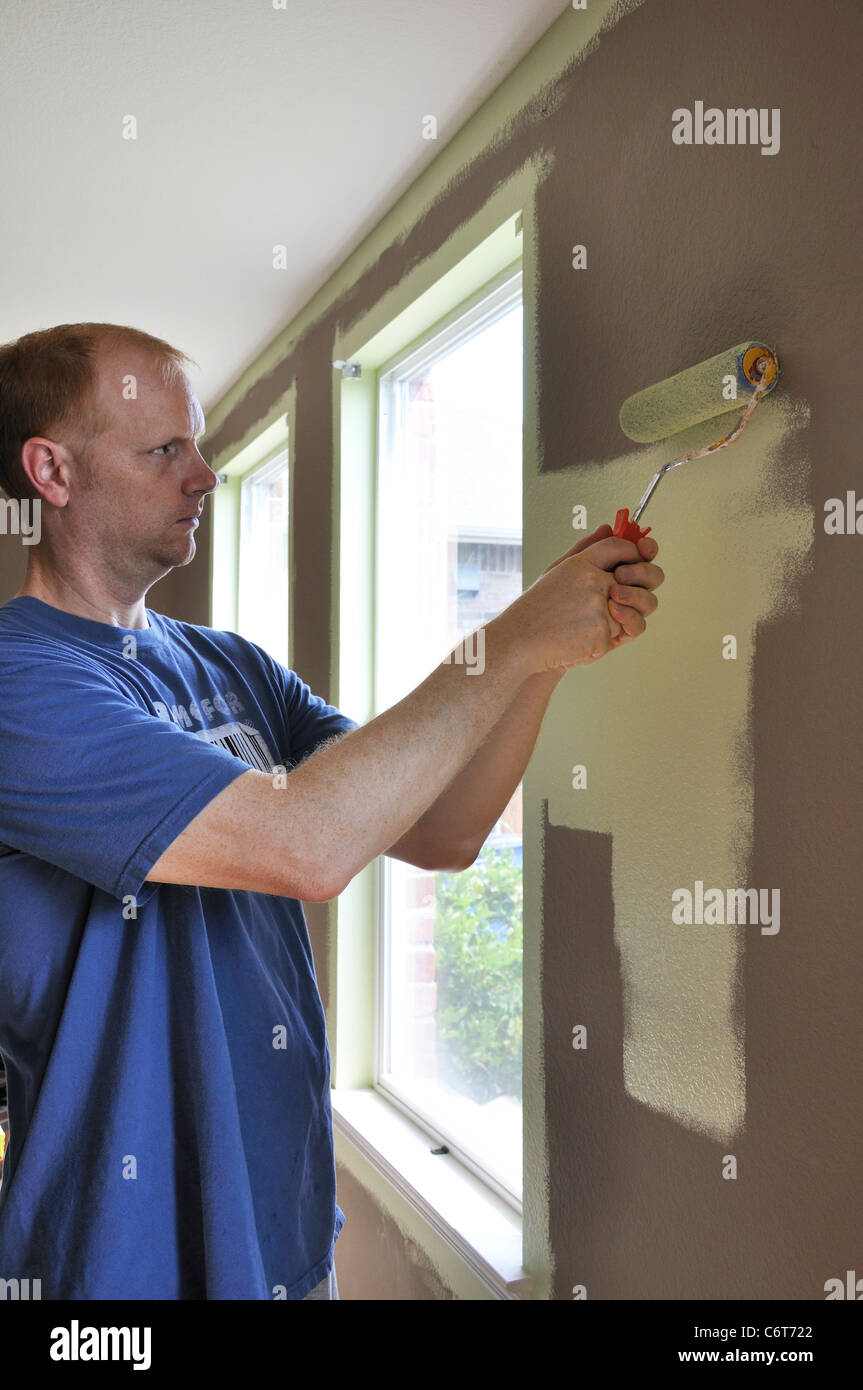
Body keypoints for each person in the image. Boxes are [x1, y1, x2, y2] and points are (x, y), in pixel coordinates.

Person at [0, 322, 664, 1300]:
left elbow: (442, 831)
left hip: (282, 1232)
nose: (205, 476)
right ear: (51, 472)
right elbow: (306, 844)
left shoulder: (232, 665)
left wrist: (539, 656)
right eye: (163, 451)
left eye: (201, 443)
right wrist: (511, 632)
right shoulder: (21, 684)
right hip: (115, 1263)